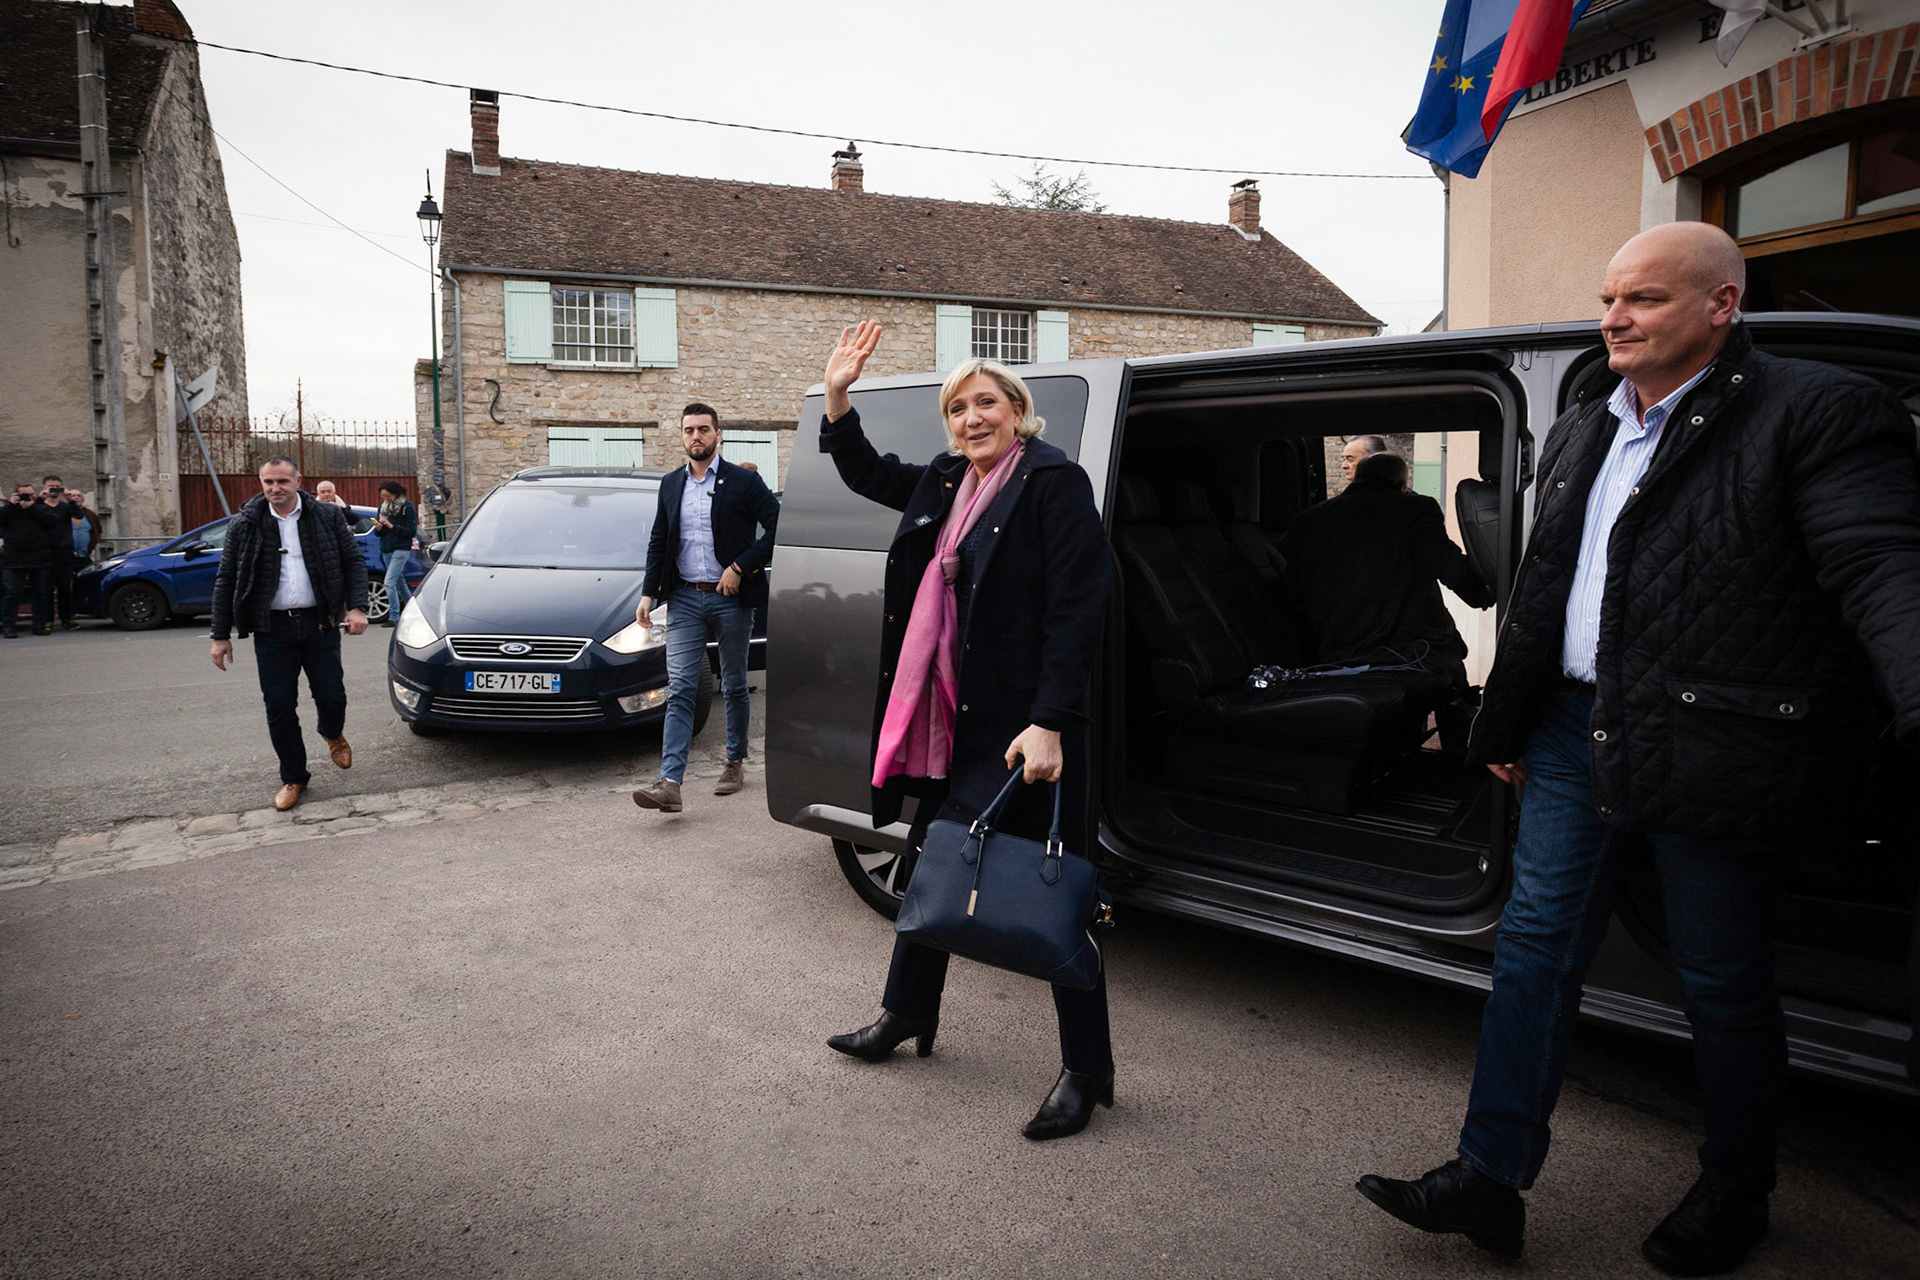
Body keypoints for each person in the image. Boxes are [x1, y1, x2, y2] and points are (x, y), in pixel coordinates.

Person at [1355, 223, 1920, 1276]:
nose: (1614, 318)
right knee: (1533, 953)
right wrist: (1509, 722)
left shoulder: (1815, 411)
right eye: (1611, 297)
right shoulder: (1582, 423)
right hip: (1574, 728)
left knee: (1721, 979)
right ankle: (1489, 1175)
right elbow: (1541, 593)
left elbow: (1881, 568)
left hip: (1717, 740)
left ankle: (1738, 1188)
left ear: (1722, 305)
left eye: (1645, 300)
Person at [816, 322, 1116, 1141]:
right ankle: (904, 1014)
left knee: (1059, 894)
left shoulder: (1054, 483)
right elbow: (870, 472)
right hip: (962, 720)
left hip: (1033, 729)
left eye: (985, 403)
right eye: (957, 408)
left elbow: (1079, 607)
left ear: (1017, 411)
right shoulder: (949, 482)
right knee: (931, 868)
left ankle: (1086, 1072)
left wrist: (1050, 721)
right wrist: (839, 396)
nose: (970, 419)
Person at [1281, 450, 1494, 756]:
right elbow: (1448, 565)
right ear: (1401, 482)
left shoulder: (1307, 521)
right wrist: (1482, 594)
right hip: (1407, 651)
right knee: (1454, 685)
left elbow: (1292, 590)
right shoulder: (1413, 507)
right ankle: (1462, 766)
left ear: (1359, 477)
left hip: (1332, 652)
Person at [630, 404, 780, 812]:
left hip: (730, 598)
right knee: (680, 687)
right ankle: (670, 783)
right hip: (682, 597)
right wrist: (648, 593)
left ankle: (734, 761)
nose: (695, 436)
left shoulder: (745, 482)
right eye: (688, 430)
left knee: (732, 683)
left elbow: (778, 525)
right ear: (681, 436)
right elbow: (659, 541)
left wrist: (740, 566)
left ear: (718, 435)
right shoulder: (669, 485)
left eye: (703, 429)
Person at [209, 456, 369, 812]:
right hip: (273, 628)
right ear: (261, 482)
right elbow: (226, 579)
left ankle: (331, 732)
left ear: (298, 481)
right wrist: (220, 635)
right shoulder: (246, 523)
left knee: (331, 696)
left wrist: (357, 607)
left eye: (282, 481)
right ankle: (294, 776)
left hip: (320, 624)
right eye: (268, 482)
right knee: (279, 705)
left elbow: (353, 562)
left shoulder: (326, 516)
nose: (274, 489)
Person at [1, 481, 68, 637]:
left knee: (40, 593)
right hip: (13, 559)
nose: (27, 497)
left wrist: (33, 506)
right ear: (15, 495)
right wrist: (11, 505)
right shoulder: (9, 510)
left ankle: (39, 625)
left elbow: (53, 521)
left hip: (39, 558)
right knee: (11, 593)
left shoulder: (40, 507)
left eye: (31, 494)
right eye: (24, 494)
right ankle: (8, 626)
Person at [371, 481, 418, 626]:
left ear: (396, 494)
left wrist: (392, 526)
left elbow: (411, 532)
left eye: (388, 496)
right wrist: (379, 528)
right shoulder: (382, 508)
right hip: (386, 549)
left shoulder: (407, 508)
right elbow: (380, 534)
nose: (385, 499)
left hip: (401, 549)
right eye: (383, 496)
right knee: (400, 582)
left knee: (389, 582)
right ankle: (414, 612)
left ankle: (394, 616)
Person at [42, 476, 86, 630]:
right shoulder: (40, 506)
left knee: (65, 588)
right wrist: (40, 499)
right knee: (46, 589)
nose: (54, 490)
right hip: (45, 553)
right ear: (44, 487)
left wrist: (70, 499)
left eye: (57, 487)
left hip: (65, 553)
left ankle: (66, 619)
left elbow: (79, 516)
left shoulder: (65, 507)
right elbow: (31, 515)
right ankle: (47, 620)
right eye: (51, 487)